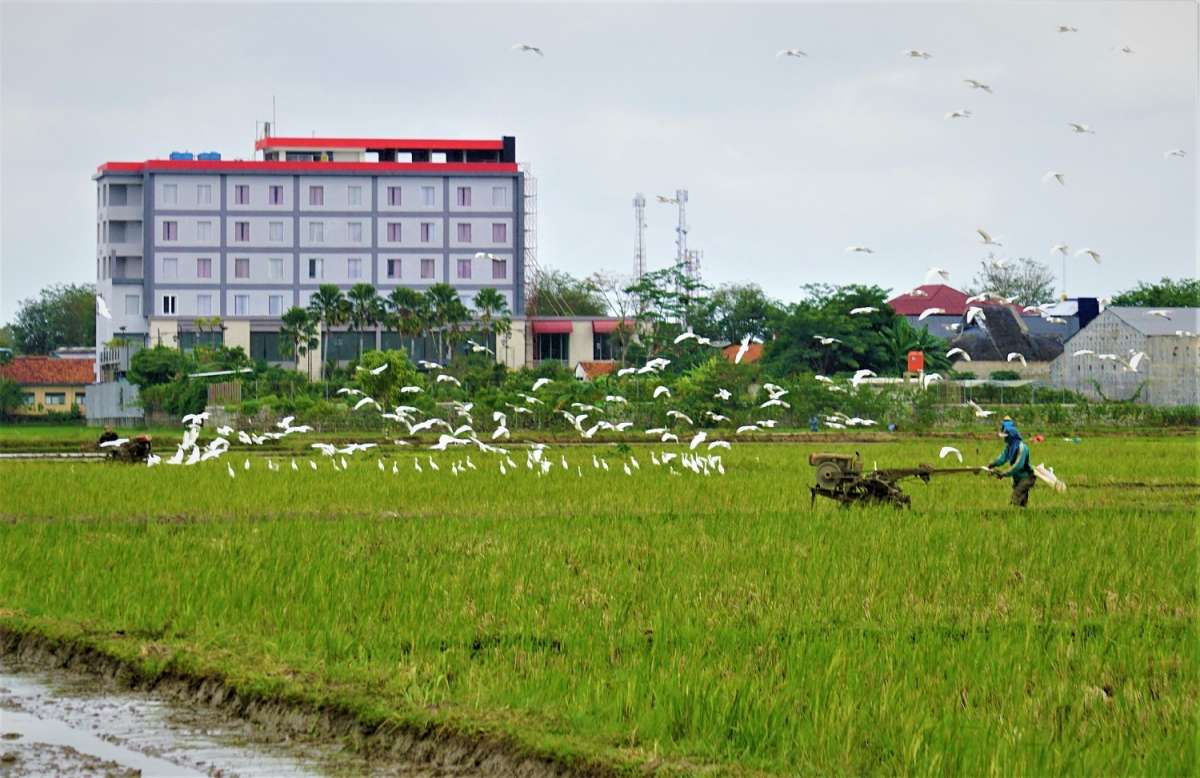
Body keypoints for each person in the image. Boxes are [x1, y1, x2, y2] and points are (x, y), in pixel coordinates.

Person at [986, 416, 1036, 507]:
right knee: (1022, 502)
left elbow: (1018, 466)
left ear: (1011, 437)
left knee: (1016, 496)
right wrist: (992, 464)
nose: (1004, 439)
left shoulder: (1022, 448)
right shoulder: (1009, 447)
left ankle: (1012, 514)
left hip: (1027, 477)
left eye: (1006, 437)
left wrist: (1003, 473)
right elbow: (1002, 459)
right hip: (1017, 478)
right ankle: (1022, 515)